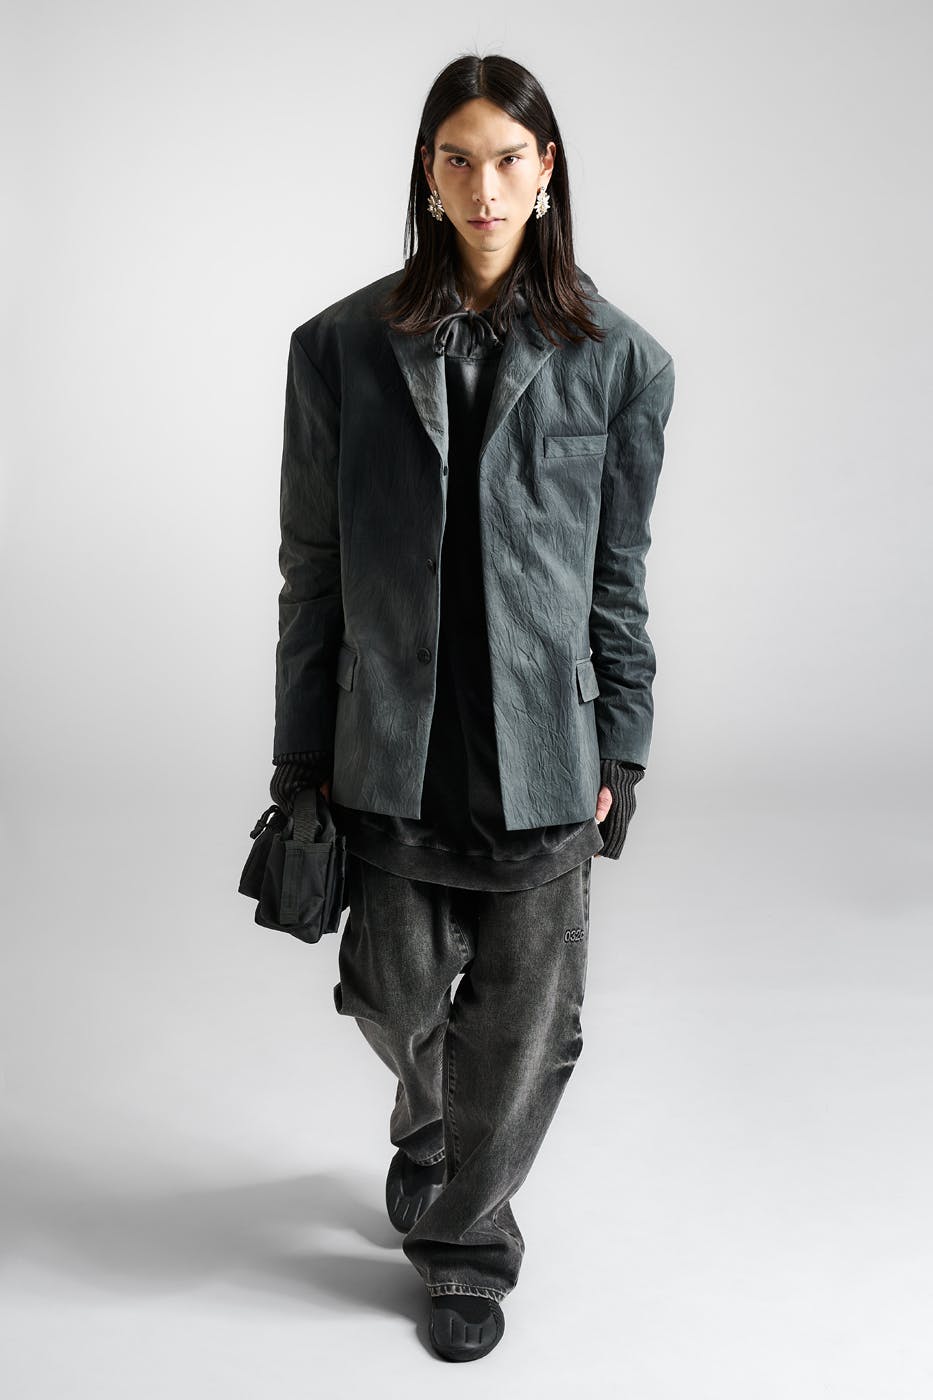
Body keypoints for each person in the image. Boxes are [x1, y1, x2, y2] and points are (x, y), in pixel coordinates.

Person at [267, 52, 675, 1362]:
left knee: (525, 1031)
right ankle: (433, 1124)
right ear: (428, 177)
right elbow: (313, 570)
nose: (484, 185)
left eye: (508, 158)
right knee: (389, 994)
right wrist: (298, 761)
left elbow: (618, 575)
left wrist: (623, 744)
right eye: (458, 159)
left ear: (545, 172)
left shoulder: (622, 362)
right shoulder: (339, 349)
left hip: (543, 747)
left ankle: (466, 1248)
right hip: (390, 744)